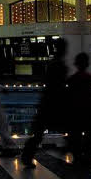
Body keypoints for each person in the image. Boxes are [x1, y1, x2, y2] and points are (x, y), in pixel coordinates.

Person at [21, 38, 68, 168]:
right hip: (54, 103)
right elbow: (60, 85)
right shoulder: (60, 65)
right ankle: (72, 152)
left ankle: (27, 155)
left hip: (47, 102)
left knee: (39, 133)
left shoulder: (53, 63)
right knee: (70, 128)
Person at [66, 52, 91, 168]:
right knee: (90, 138)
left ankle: (77, 158)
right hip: (88, 113)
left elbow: (69, 96)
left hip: (76, 113)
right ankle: (87, 159)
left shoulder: (72, 79)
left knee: (76, 137)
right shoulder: (89, 78)